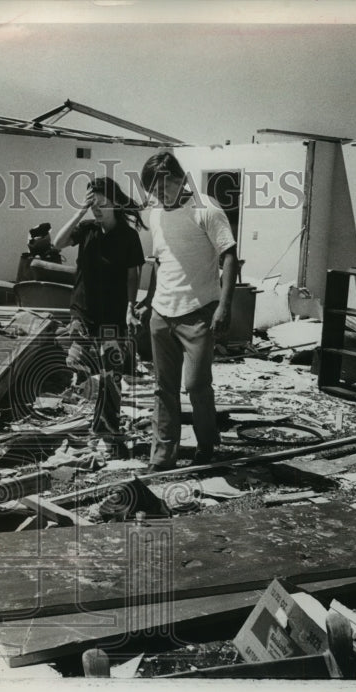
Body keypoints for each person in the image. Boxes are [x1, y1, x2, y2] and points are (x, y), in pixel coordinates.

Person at [137, 151, 239, 470]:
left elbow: (230, 256)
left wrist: (224, 306)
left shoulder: (205, 208)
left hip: (198, 312)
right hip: (162, 313)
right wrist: (148, 302)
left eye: (164, 186)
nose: (159, 195)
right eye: (153, 190)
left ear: (180, 178)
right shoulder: (156, 215)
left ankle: (206, 443)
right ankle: (162, 456)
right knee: (163, 388)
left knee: (196, 385)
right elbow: (160, 262)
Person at [53, 176, 148, 353]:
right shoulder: (87, 229)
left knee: (110, 364)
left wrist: (130, 307)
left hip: (113, 314)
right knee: (78, 363)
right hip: (83, 313)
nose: (96, 210)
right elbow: (58, 243)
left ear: (115, 203)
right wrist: (80, 212)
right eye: (92, 205)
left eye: (102, 204)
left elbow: (132, 276)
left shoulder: (128, 236)